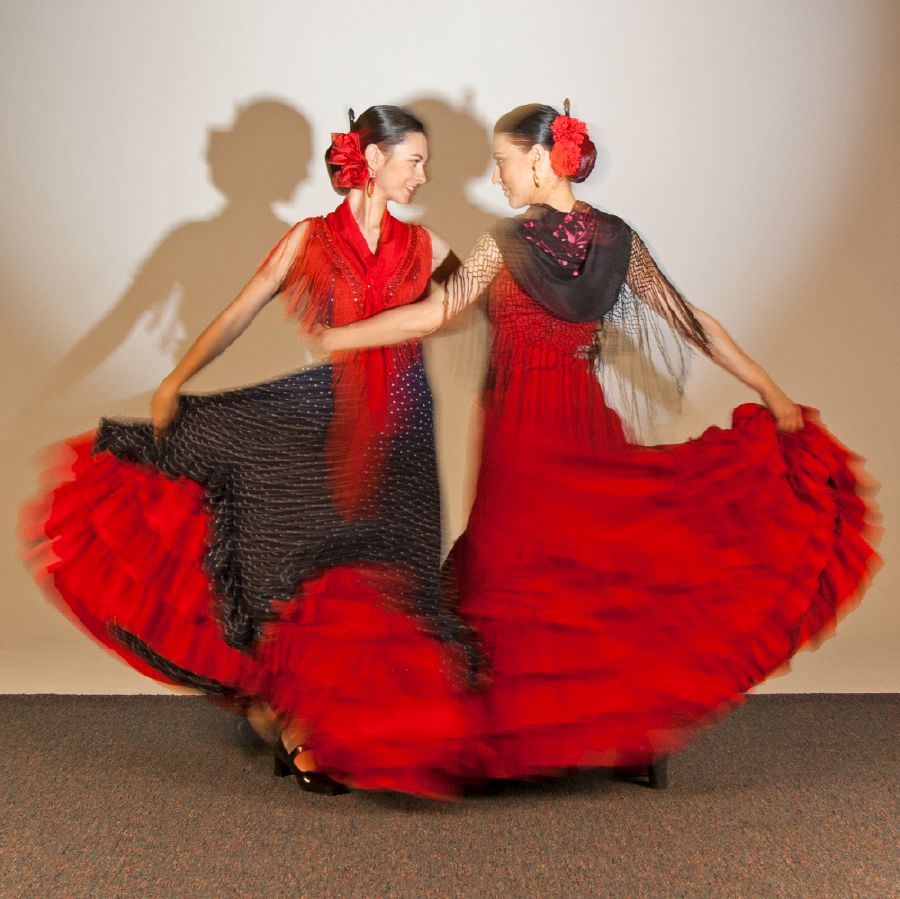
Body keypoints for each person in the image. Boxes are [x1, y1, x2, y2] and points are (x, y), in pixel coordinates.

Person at [311, 102, 880, 787]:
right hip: (578, 424)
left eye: (502, 162)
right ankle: (626, 735)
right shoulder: (614, 241)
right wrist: (770, 390)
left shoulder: (509, 244)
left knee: (523, 575)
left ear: (541, 160)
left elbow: (439, 311)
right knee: (592, 577)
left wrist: (339, 336)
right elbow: (691, 319)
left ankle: (524, 736)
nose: (496, 177)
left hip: (525, 436)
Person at [23, 105, 485, 798]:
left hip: (408, 423)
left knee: (394, 569)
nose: (425, 174)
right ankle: (301, 719)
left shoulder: (426, 242)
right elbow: (241, 309)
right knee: (305, 563)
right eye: (415, 159)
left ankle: (381, 727)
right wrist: (179, 378)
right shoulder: (309, 238)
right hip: (325, 413)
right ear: (374, 160)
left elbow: (478, 299)